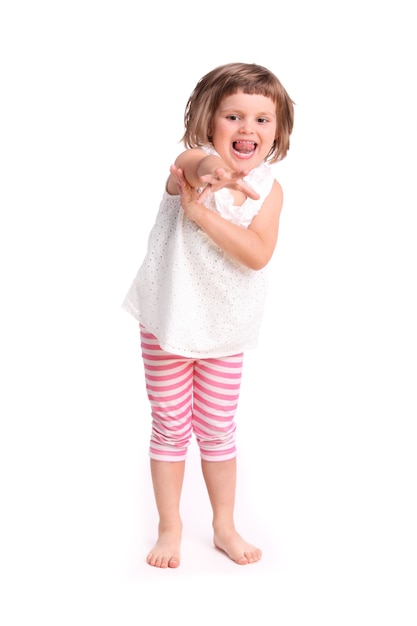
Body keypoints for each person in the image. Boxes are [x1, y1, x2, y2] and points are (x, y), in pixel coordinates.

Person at [123, 62, 294, 568]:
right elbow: (194, 169)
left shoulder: (269, 189)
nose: (248, 130)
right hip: (169, 323)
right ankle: (170, 526)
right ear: (207, 121)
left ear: (278, 131)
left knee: (218, 427)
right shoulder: (189, 163)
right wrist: (211, 180)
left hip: (223, 329)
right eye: (234, 117)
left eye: (263, 120)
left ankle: (223, 524)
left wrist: (202, 215)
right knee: (171, 425)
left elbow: (257, 253)